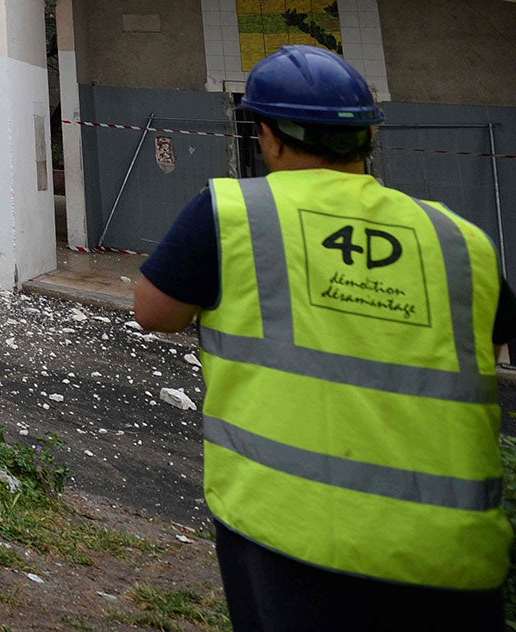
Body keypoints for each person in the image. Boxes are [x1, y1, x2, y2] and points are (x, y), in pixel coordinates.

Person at [134, 44, 512, 630]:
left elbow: (154, 311)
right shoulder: (459, 239)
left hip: (289, 528)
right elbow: (487, 350)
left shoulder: (234, 211)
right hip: (453, 548)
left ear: (271, 137)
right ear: (367, 139)